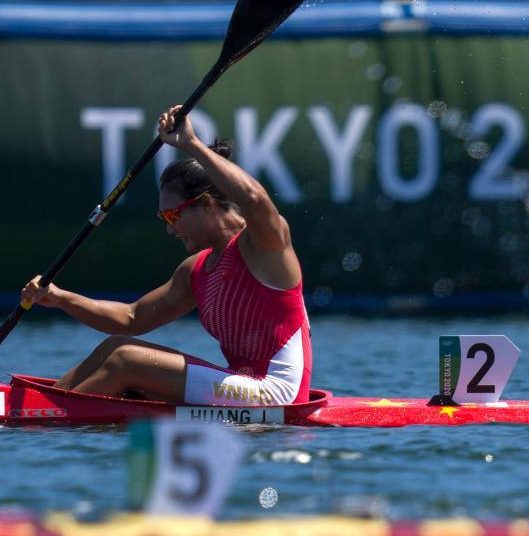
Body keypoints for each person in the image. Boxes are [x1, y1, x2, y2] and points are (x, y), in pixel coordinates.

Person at [20, 105, 312, 405]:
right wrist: (60, 298)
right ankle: (39, 404)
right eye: (164, 219)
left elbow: (254, 199)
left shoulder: (264, 247)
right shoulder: (196, 270)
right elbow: (130, 318)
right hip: (240, 388)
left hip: (278, 394)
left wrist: (192, 145)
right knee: (114, 346)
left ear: (208, 204)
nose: (170, 230)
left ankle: (43, 420)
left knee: (125, 360)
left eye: (173, 216)